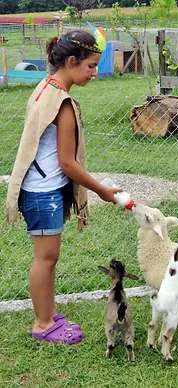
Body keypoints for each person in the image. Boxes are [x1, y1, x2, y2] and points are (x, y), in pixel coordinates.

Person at [6, 30, 122, 344]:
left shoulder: (46, 86)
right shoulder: (64, 104)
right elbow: (67, 164)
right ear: (71, 61)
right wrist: (102, 190)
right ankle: (43, 324)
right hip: (42, 193)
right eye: (91, 66)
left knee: (48, 257)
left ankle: (47, 312)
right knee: (45, 258)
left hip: (41, 189)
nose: (95, 73)